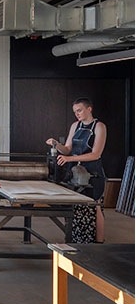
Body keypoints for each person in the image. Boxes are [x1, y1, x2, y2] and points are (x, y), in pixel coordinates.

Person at [47, 96, 106, 242]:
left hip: (93, 173)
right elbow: (67, 149)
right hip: (75, 174)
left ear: (89, 109)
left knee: (95, 206)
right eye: (75, 112)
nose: (77, 114)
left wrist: (70, 159)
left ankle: (99, 243)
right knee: (76, 207)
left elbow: (96, 154)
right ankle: (77, 239)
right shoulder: (75, 126)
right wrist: (56, 145)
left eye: (79, 110)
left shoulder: (99, 127)